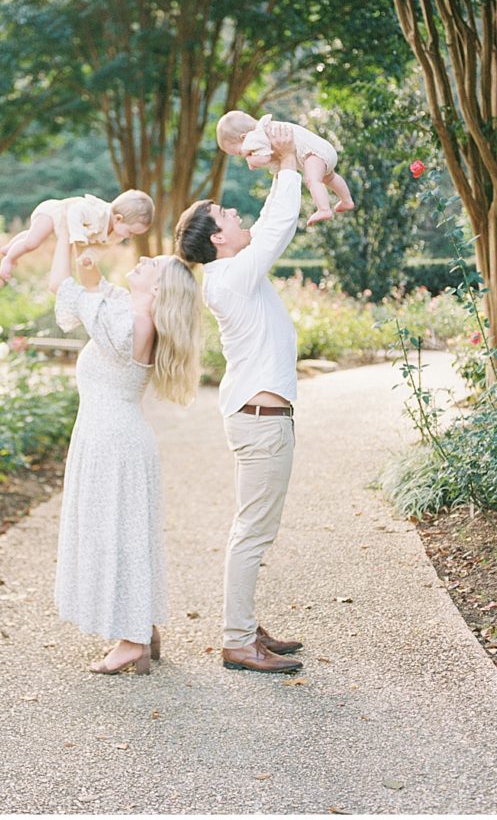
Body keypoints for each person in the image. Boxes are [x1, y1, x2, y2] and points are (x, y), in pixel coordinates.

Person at [175, 123, 305, 675]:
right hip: (260, 420)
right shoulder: (230, 277)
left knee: (253, 528)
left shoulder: (233, 274)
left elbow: (270, 222)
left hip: (261, 417)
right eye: (228, 215)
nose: (237, 217)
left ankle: (245, 626)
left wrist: (280, 170)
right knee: (253, 532)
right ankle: (236, 640)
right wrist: (291, 164)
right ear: (219, 239)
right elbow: (277, 227)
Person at [48, 217, 201, 675]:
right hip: (113, 437)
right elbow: (88, 287)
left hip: (112, 443)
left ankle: (132, 640)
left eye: (155, 265)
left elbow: (62, 286)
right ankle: (141, 627)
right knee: (127, 535)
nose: (147, 258)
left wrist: (59, 230)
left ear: (158, 292)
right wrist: (86, 251)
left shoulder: (131, 324)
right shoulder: (128, 310)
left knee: (117, 537)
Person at [216, 110, 354, 225]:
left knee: (312, 181)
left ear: (244, 137)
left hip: (313, 155)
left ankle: (324, 209)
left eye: (240, 152)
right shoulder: (268, 128)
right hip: (325, 150)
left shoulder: (256, 136)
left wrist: (250, 160)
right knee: (330, 178)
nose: (243, 155)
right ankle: (346, 201)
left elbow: (264, 158)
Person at [0, 189, 154, 282]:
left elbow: (99, 249)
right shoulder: (96, 212)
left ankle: (9, 247)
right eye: (131, 232)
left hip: (60, 228)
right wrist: (78, 232)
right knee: (32, 242)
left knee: (32, 235)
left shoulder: (115, 235)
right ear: (119, 219)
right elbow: (75, 210)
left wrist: (89, 257)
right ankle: (9, 259)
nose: (131, 237)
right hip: (54, 213)